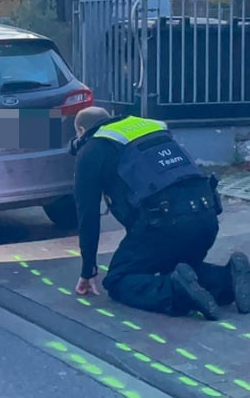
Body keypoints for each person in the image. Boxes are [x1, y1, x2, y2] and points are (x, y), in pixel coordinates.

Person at [70, 106, 250, 320]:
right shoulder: (148, 127)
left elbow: (87, 216)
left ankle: (176, 292)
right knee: (176, 267)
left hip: (164, 222)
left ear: (81, 130)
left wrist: (88, 269)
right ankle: (228, 279)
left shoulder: (92, 148)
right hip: (206, 215)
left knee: (119, 279)